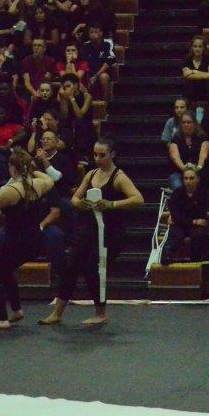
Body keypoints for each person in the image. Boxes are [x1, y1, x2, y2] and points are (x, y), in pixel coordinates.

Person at [40, 137, 144, 327]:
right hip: (90, 230)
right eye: (95, 155)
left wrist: (111, 204)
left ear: (113, 155)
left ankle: (100, 312)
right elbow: (74, 198)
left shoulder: (119, 177)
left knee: (93, 269)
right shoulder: (91, 174)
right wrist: (81, 204)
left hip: (112, 233)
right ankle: (57, 313)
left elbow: (138, 199)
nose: (97, 159)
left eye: (102, 155)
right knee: (71, 267)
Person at [0, 148, 54, 329]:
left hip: (17, 242)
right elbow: (49, 179)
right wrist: (32, 169)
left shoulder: (10, 190)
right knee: (4, 270)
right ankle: (17, 310)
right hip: (35, 241)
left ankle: (1, 319)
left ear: (12, 168)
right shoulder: (38, 184)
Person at [161, 164, 209, 265]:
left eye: (191, 178)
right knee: (174, 234)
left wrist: (183, 219)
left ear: (198, 179)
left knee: (199, 234)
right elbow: (175, 216)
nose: (188, 181)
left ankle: (195, 263)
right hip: (182, 226)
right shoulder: (177, 193)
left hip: (192, 227)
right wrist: (194, 221)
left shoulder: (203, 194)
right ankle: (167, 259)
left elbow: (202, 215)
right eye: (186, 178)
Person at [168, 111, 209, 190]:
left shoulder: (202, 137)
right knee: (178, 186)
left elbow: (203, 155)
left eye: (189, 122)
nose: (186, 125)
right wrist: (186, 169)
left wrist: (197, 169)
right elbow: (175, 157)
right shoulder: (175, 138)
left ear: (194, 123)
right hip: (179, 172)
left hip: (198, 171)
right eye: (184, 122)